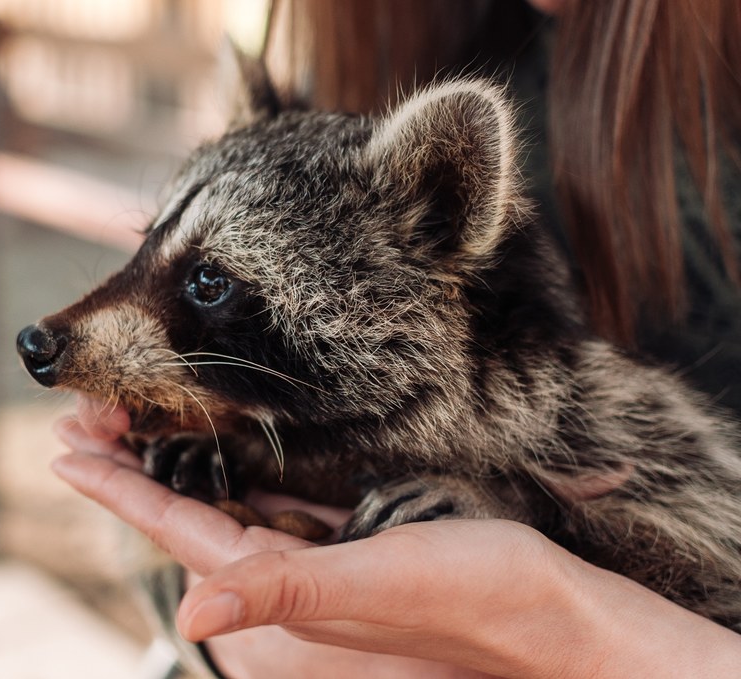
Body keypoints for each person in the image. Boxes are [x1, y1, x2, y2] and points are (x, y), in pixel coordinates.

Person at [50, 0, 741, 676]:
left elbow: (707, 568)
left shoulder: (581, 432)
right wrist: (235, 632)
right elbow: (187, 589)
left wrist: (574, 625)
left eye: (210, 284)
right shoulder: (396, 32)